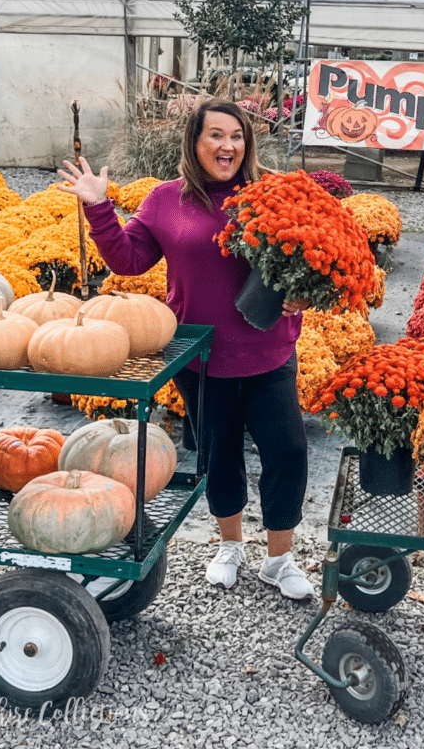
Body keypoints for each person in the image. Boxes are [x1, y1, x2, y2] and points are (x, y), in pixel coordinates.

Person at [58, 98, 314, 599]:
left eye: (237, 136)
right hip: (201, 355)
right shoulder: (164, 201)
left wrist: (304, 291)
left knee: (287, 451)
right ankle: (230, 546)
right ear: (194, 143)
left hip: (269, 351)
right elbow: (129, 261)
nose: (228, 145)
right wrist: (98, 207)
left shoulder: (270, 194)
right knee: (218, 456)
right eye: (216, 135)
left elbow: (310, 261)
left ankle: (280, 558)